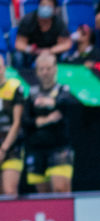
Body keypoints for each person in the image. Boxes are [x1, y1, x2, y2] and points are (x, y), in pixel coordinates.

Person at [22, 52, 77, 194]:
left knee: (60, 190)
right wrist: (47, 119)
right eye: (41, 69)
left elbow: (63, 108)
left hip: (59, 148)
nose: (45, 72)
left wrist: (50, 103)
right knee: (43, 196)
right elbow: (26, 120)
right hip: (36, 149)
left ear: (55, 69)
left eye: (48, 68)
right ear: (37, 72)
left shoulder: (63, 90)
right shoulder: (32, 93)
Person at [13, 0, 72, 68]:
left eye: (48, 6)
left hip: (51, 52)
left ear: (54, 10)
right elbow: (19, 43)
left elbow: (66, 44)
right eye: (43, 5)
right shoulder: (28, 20)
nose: (45, 8)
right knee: (18, 56)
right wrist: (29, 49)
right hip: (32, 53)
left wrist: (50, 51)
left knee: (65, 56)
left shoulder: (58, 22)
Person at [0, 56, 26, 197]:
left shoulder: (14, 87)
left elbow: (17, 122)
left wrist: (3, 149)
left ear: (4, 68)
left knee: (9, 191)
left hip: (11, 147)